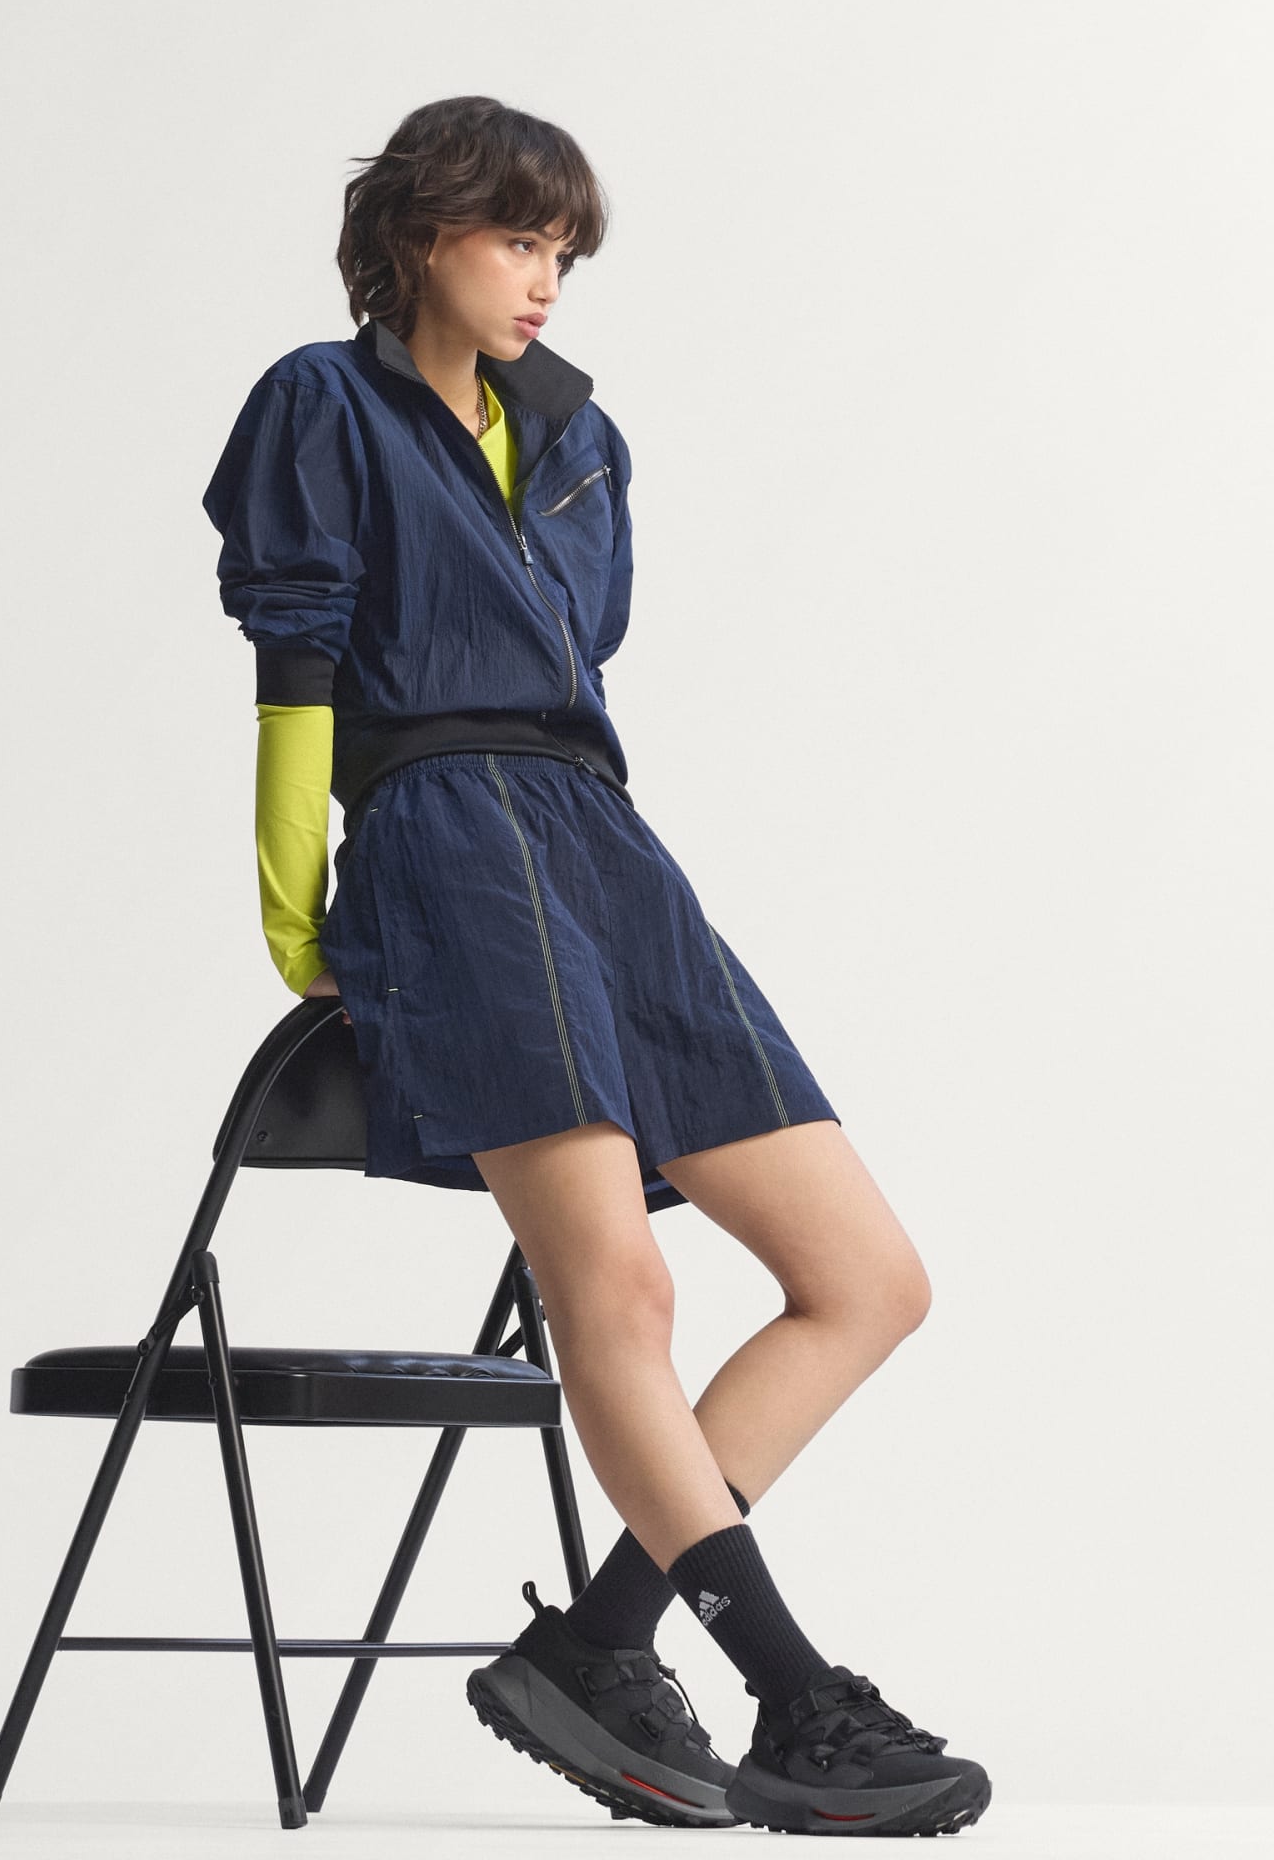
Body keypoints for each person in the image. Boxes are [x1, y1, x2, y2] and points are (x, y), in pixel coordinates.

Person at [200, 97, 991, 1838]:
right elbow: (297, 665)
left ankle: (602, 1642)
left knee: (868, 1279)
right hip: (446, 839)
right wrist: (291, 905)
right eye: (516, 240)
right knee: (618, 1292)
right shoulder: (323, 403)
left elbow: (586, 648)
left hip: (605, 844)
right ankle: (795, 1695)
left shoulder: (578, 436)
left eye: (563, 250)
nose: (546, 278)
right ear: (420, 234)